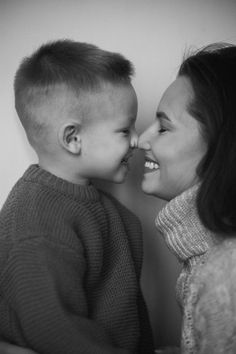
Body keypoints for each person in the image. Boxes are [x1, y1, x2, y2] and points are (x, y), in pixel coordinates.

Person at [0, 39, 154, 354]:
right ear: (73, 139)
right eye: (125, 130)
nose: (137, 140)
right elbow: (55, 330)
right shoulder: (37, 221)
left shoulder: (103, 208)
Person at [138, 42, 236, 353]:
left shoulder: (224, 276)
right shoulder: (207, 260)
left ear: (222, 145)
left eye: (164, 128)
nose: (141, 140)